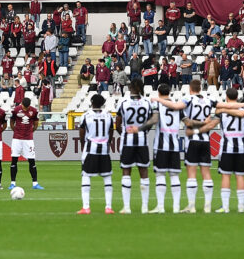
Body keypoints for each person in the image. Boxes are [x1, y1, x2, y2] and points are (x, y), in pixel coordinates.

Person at [115, 80, 154, 214]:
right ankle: (144, 207)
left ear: (130, 88)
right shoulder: (147, 102)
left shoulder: (123, 103)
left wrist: (124, 134)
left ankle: (127, 207)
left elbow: (117, 123)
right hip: (142, 140)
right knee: (143, 172)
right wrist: (142, 132)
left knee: (126, 171)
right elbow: (150, 123)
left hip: (128, 141)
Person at [213, 87, 244, 214]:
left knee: (226, 176)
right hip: (240, 147)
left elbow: (212, 123)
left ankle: (225, 207)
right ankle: (241, 207)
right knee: (240, 176)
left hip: (226, 148)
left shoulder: (221, 111)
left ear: (226, 97)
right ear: (237, 97)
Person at [180, 79, 216, 213]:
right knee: (206, 172)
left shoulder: (188, 99)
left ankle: (192, 206)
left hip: (192, 140)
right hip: (206, 140)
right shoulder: (209, 100)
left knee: (191, 172)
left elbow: (187, 121)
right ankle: (207, 206)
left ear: (190, 89)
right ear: (200, 88)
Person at [147, 83, 184, 213]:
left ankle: (161, 206)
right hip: (174, 146)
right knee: (174, 176)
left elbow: (153, 120)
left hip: (161, 145)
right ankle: (176, 207)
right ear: (169, 92)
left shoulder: (157, 104)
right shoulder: (177, 106)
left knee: (160, 175)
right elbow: (186, 122)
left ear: (158, 93)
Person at [76, 93, 115, 214]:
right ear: (103, 104)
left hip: (91, 148)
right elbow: (111, 132)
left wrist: (83, 145)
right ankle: (108, 207)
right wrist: (107, 143)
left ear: (91, 103)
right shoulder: (108, 116)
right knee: (107, 177)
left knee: (86, 176)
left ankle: (86, 207)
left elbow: (81, 133)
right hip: (104, 149)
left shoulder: (86, 116)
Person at [10, 97, 43, 190]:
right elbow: (11, 121)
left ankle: (35, 183)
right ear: (21, 104)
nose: (25, 109)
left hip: (28, 139)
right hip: (17, 139)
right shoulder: (16, 110)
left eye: (27, 108)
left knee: (32, 161)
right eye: (24, 108)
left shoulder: (34, 111)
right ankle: (12, 183)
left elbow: (36, 123)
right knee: (14, 160)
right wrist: (15, 131)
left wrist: (31, 131)